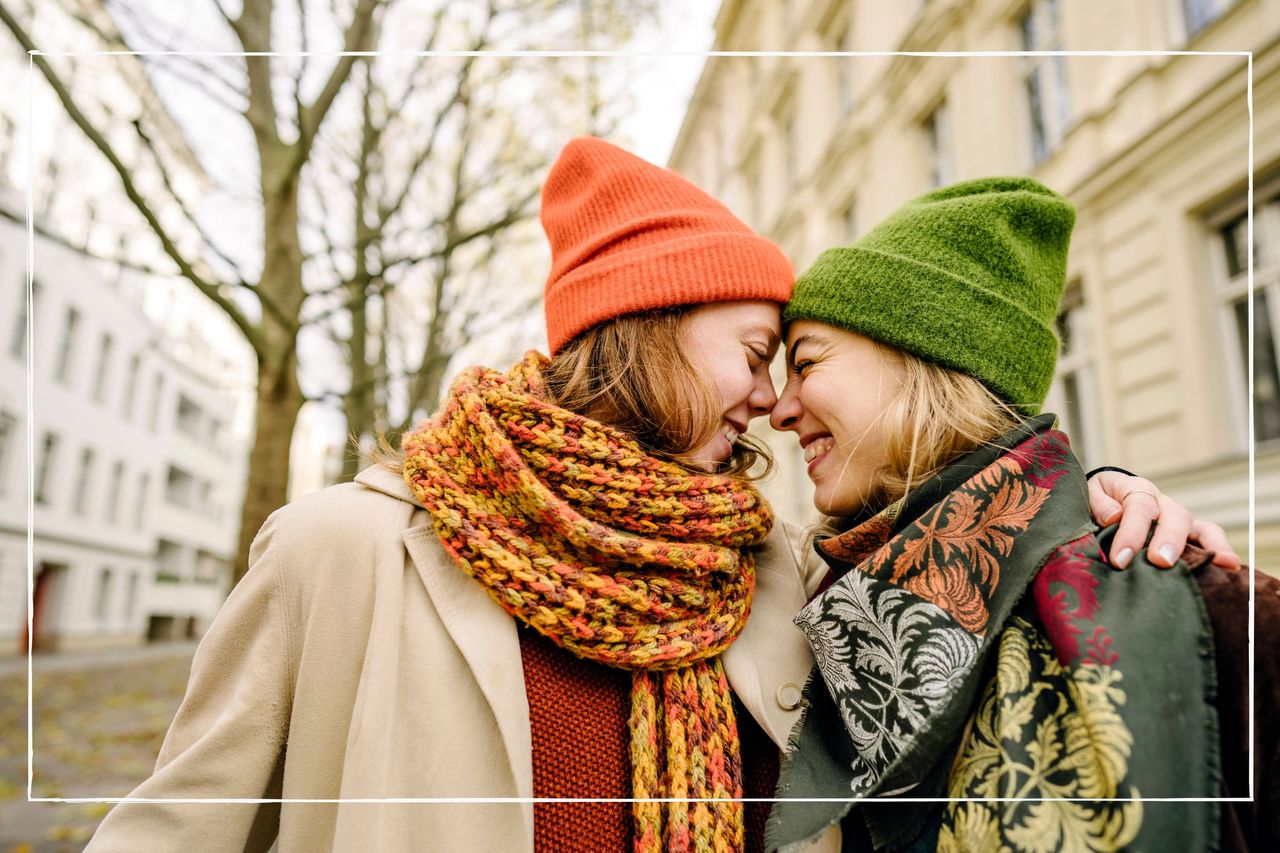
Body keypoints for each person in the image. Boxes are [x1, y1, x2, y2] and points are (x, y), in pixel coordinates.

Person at [85, 141, 1233, 853]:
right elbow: (176, 828)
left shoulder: (775, 566)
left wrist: (1104, 500)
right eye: (753, 351)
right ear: (643, 331)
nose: (766, 401)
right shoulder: (345, 548)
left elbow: (964, 546)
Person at [763, 177, 1276, 853]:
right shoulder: (820, 607)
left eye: (805, 363)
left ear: (926, 361)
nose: (779, 409)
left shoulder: (1224, 616)